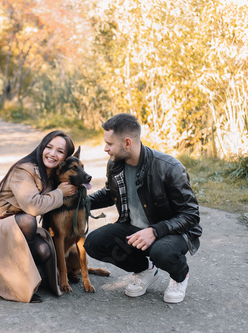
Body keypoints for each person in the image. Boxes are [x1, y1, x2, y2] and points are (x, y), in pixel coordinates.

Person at [83, 113, 202, 303]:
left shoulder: (169, 167)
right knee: (94, 243)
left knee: (162, 252)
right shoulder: (115, 164)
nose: (105, 148)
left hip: (171, 231)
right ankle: (145, 270)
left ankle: (180, 276)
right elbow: (109, 193)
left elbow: (191, 214)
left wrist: (155, 231)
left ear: (127, 143)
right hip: (133, 229)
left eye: (110, 144)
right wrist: (80, 202)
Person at [0, 130, 78, 303]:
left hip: (16, 226)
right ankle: (16, 284)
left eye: (60, 151)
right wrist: (59, 193)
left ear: (65, 157)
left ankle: (28, 277)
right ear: (42, 147)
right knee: (29, 220)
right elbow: (33, 206)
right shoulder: (24, 170)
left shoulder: (51, 174)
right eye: (49, 147)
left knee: (44, 251)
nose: (52, 154)